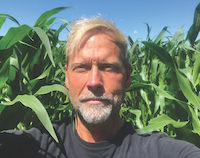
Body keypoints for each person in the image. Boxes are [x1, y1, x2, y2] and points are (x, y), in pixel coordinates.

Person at [0, 17, 200, 158]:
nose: (94, 81)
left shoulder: (160, 151)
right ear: (66, 77)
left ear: (128, 77)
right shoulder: (34, 146)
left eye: (108, 67)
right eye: (81, 68)